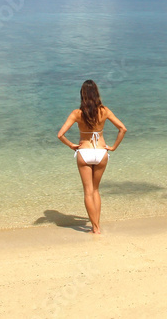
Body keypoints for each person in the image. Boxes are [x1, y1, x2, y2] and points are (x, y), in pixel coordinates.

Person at [56, 79, 126, 234]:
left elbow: (60, 134)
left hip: (85, 151)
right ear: (97, 94)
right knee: (96, 190)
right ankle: (97, 225)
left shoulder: (77, 113)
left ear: (82, 95)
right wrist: (113, 147)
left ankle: (95, 228)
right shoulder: (104, 111)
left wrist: (71, 145)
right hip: (101, 152)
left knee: (88, 191)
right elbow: (122, 128)